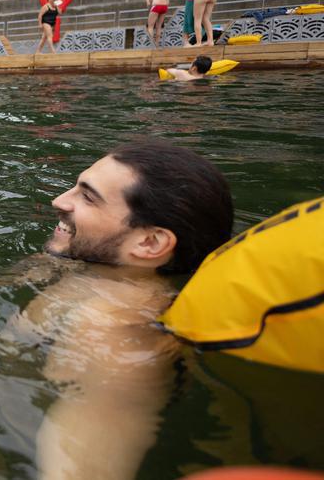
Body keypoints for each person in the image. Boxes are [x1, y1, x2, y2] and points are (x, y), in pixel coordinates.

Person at [33, 139, 233, 480]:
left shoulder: (115, 340)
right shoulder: (92, 272)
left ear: (150, 243)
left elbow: (77, 472)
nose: (60, 200)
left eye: (88, 196)